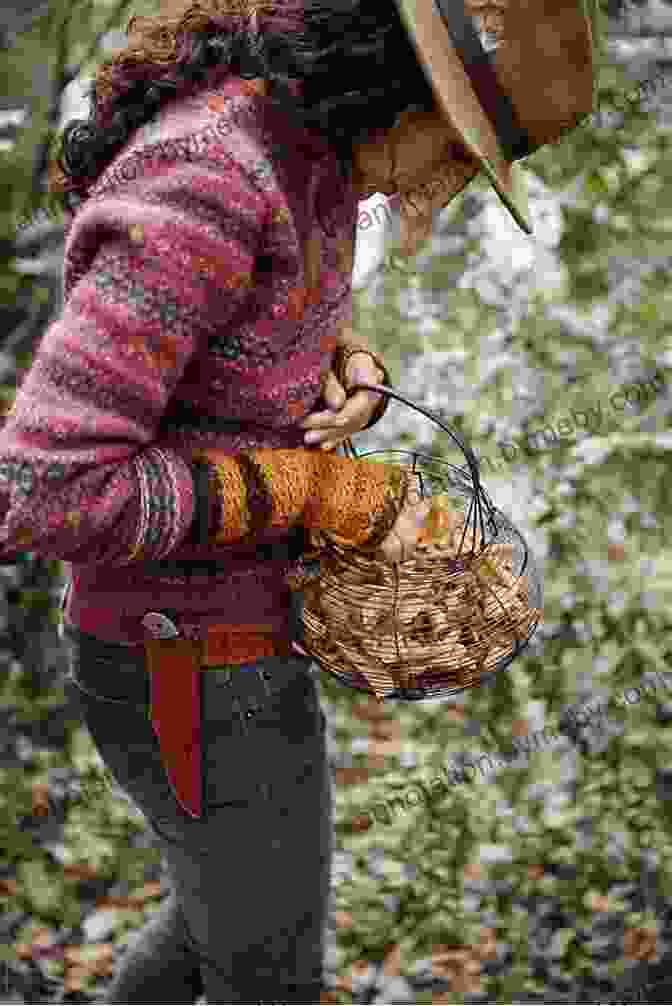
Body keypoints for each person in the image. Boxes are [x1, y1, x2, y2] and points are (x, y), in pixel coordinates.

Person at [0, 0, 599, 1001]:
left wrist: (340, 361)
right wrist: (315, 485)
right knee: (267, 965)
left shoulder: (307, 158)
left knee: (222, 921)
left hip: (241, 631)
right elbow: (42, 489)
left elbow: (243, 313)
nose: (438, 185)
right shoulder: (207, 177)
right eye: (453, 150)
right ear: (396, 92)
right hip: (179, 659)